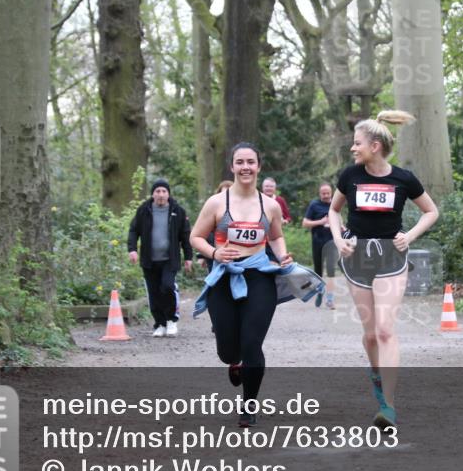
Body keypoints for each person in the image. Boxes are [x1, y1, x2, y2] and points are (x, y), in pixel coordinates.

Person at [328, 111, 439, 430]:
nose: (353, 148)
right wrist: (339, 240)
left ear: (375, 146)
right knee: (370, 335)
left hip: (391, 257)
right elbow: (334, 212)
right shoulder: (349, 176)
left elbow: (431, 211)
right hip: (357, 258)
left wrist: (410, 235)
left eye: (357, 143)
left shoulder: (403, 179)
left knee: (386, 330)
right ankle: (377, 378)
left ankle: (388, 407)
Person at [189, 143, 293, 427]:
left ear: (259, 166)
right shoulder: (216, 203)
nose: (245, 167)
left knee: (252, 344)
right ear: (232, 167)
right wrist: (214, 253)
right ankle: (234, 362)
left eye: (251, 162)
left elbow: (276, 236)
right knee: (227, 350)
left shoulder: (269, 205)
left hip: (259, 277)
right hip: (224, 277)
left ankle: (249, 406)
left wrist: (282, 255)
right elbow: (196, 237)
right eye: (240, 162)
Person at [127, 179, 194, 337]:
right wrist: (132, 249)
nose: (161, 195)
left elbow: (185, 235)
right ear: (153, 193)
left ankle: (171, 320)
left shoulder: (178, 211)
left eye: (164, 191)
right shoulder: (144, 209)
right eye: (158, 191)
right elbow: (133, 230)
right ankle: (160, 324)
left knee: (167, 286)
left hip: (170, 259)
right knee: (154, 293)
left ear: (168, 194)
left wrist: (188, 257)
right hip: (149, 260)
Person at [302, 182, 336, 309]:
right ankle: (320, 291)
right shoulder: (314, 205)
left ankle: (330, 299)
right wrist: (320, 222)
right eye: (323, 193)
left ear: (331, 192)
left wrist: (341, 227)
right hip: (318, 241)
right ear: (319, 193)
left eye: (328, 193)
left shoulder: (335, 204)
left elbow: (338, 219)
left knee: (331, 270)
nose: (326, 195)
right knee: (318, 271)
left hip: (332, 241)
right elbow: (305, 223)